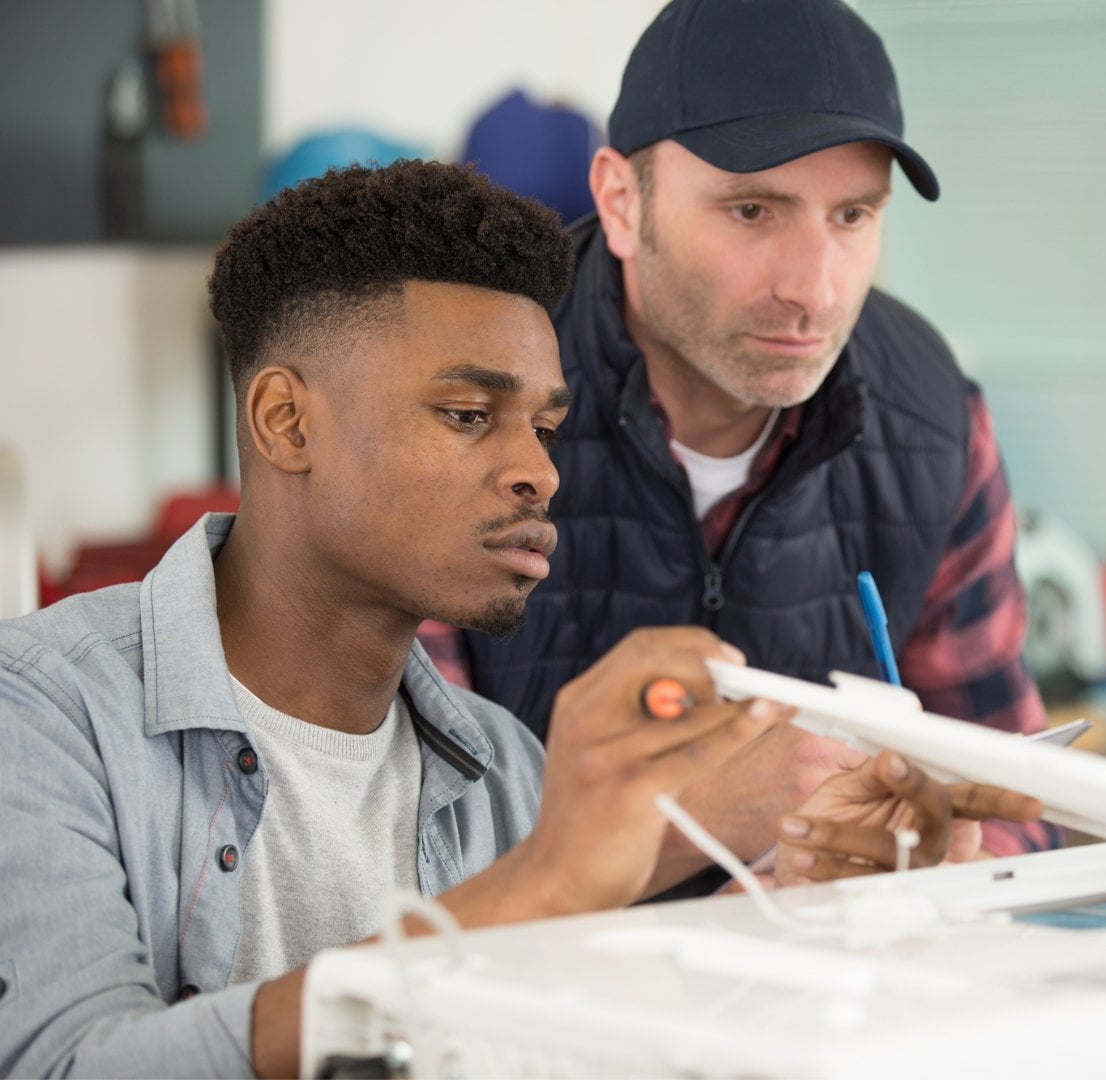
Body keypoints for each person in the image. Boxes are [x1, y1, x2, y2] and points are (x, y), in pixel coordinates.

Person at [0, 161, 1040, 1078]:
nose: (538, 470)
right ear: (286, 420)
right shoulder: (43, 713)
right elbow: (73, 1064)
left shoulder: (502, 767)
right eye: (467, 416)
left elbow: (571, 1043)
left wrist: (795, 914)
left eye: (547, 424)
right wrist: (537, 889)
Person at [445, 0, 1060, 898]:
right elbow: (385, 871)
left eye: (852, 216)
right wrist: (702, 832)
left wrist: (933, 871)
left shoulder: (932, 417)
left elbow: (1015, 791)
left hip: (821, 1001)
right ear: (621, 202)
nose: (812, 289)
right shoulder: (463, 407)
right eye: (752, 210)